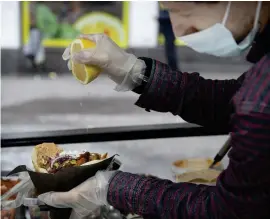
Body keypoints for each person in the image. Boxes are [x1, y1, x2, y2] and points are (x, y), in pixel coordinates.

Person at [38, 1, 270, 219]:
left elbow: (226, 211)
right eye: (167, 9)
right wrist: (136, 72)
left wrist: (114, 188)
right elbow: (228, 100)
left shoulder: (261, 94)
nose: (180, 29)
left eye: (185, 10)